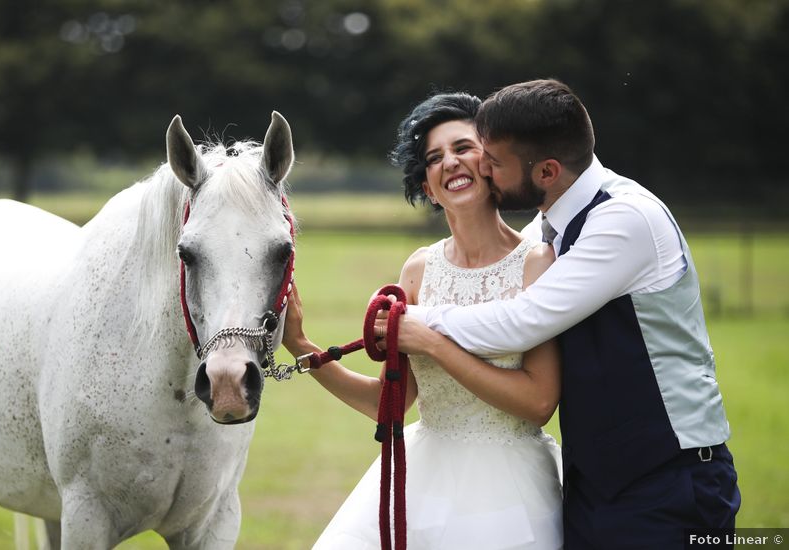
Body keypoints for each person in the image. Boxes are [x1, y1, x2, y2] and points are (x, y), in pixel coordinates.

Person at [384, 79, 740, 549]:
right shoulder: (550, 225)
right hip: (594, 480)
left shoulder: (623, 219)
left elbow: (521, 321)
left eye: (494, 162)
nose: (483, 170)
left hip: (671, 476)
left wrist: (420, 323)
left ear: (547, 171)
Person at [283, 92, 564, 549]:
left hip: (508, 488)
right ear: (429, 188)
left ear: (492, 164)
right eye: (434, 158)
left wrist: (433, 343)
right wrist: (301, 346)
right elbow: (387, 404)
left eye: (463, 148)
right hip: (422, 473)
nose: (449, 162)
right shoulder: (419, 270)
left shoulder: (536, 264)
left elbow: (538, 403)